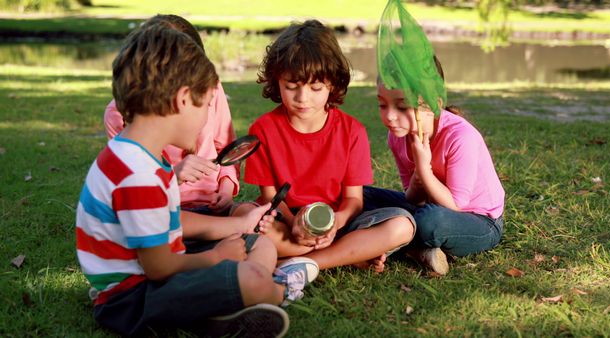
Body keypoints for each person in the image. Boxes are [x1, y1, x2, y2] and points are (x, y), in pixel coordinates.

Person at [75, 24, 317, 337]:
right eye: (205, 105)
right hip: (133, 298)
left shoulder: (134, 153)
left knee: (259, 242)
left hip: (158, 272)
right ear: (184, 99)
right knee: (253, 280)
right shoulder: (138, 175)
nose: (206, 118)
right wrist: (215, 257)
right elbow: (158, 267)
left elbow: (171, 221)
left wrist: (238, 227)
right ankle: (277, 288)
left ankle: (221, 310)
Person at [234, 19, 415, 273]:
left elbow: (353, 200)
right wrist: (295, 223)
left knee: (402, 225)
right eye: (291, 87)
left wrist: (335, 224)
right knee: (242, 215)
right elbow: (269, 196)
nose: (302, 98)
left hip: (338, 222)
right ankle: (347, 254)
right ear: (276, 82)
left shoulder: (353, 132)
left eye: (316, 87)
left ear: (332, 84)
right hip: (285, 221)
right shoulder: (262, 130)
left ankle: (294, 261)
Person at [365, 55, 505, 275]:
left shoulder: (460, 137)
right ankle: (413, 247)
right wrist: (418, 179)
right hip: (425, 207)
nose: (390, 117)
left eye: (402, 107)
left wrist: (424, 170)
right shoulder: (397, 137)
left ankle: (388, 241)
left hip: (476, 220)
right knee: (362, 195)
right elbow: (413, 198)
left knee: (430, 221)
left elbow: (455, 205)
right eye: (383, 105)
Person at [104, 14, 238, 216]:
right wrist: (172, 176)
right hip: (162, 209)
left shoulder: (211, 90)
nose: (205, 109)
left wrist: (227, 188)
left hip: (211, 205)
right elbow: (135, 194)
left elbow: (228, 148)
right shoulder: (118, 114)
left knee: (255, 224)